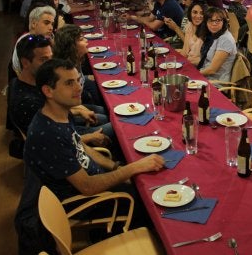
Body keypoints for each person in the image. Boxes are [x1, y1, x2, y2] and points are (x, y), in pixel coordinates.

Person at [24, 58, 164, 201]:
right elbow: (88, 186)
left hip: (98, 180)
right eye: (69, 83)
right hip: (90, 201)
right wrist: (132, 168)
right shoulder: (49, 135)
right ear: (48, 91)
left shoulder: (60, 114)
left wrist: (117, 167)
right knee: (153, 193)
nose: (79, 87)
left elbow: (79, 146)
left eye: (78, 80)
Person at [9, 35, 110, 147]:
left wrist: (78, 110)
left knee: (104, 113)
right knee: (115, 127)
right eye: (43, 60)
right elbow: (51, 143)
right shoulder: (26, 102)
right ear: (25, 63)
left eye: (50, 58)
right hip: (68, 138)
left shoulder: (30, 81)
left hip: (66, 125)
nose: (50, 64)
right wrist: (91, 137)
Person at [11, 6, 56, 76]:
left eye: (52, 24)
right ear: (33, 24)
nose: (51, 28)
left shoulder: (42, 39)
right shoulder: (27, 43)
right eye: (46, 23)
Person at [197, 7, 237, 82]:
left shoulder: (226, 39)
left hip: (216, 83)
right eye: (210, 20)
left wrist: (194, 74)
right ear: (206, 23)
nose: (214, 24)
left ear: (224, 22)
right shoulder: (214, 35)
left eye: (218, 20)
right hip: (206, 77)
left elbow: (212, 70)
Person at [179, 0, 206, 66]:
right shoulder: (189, 25)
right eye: (195, 12)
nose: (198, 16)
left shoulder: (207, 29)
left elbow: (204, 60)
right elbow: (185, 52)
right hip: (189, 63)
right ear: (190, 13)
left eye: (202, 13)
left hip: (200, 67)